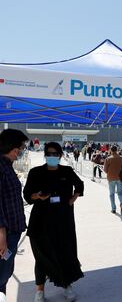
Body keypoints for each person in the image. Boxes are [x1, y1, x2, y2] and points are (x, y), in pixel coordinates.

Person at [23, 142, 84, 302]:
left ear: (60, 155)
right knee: (42, 255)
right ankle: (39, 290)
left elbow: (80, 184)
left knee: (65, 252)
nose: (52, 156)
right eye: (49, 153)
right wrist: (37, 196)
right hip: (40, 219)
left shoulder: (67, 171)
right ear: (44, 154)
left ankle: (67, 285)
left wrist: (73, 198)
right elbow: (27, 193)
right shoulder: (35, 172)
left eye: (55, 154)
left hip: (63, 219)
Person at [0, 129, 28, 302]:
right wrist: (1, 234)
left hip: (12, 231)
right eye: (21, 147)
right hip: (6, 233)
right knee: (2, 274)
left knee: (5, 273)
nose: (23, 150)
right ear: (13, 147)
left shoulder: (7, 166)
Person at [104, 145, 122, 215]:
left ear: (111, 150)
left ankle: (113, 209)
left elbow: (105, 170)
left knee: (111, 194)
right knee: (120, 193)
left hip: (111, 178)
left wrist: (110, 172)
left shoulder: (108, 159)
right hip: (120, 178)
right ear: (117, 150)